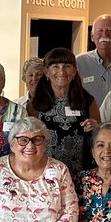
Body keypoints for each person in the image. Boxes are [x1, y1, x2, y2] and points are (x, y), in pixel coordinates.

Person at [28, 47, 100, 175]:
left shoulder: (87, 101)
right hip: (46, 174)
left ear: (74, 71)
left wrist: (96, 126)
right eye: (55, 66)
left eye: (67, 66)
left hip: (82, 173)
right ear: (46, 72)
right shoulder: (35, 105)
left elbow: (100, 135)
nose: (61, 71)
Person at [76, 14, 111, 107]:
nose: (104, 34)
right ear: (92, 36)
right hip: (88, 120)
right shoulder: (79, 62)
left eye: (109, 30)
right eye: (100, 30)